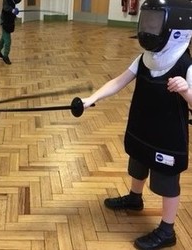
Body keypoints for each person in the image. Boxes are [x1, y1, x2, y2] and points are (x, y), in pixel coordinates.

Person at [81, 0, 192, 249]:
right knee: (138, 161)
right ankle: (134, 198)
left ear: (176, 26)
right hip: (142, 126)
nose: (148, 30)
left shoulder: (186, 65)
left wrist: (186, 91)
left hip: (167, 135)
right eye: (147, 22)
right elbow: (119, 81)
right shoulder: (144, 59)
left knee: (166, 181)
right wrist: (93, 98)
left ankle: (167, 230)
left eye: (155, 23)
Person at [0, 0, 21, 65]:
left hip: (9, 20)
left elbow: (16, 1)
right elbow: (6, 7)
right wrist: (12, 10)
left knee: (4, 37)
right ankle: (5, 56)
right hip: (5, 21)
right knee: (8, 40)